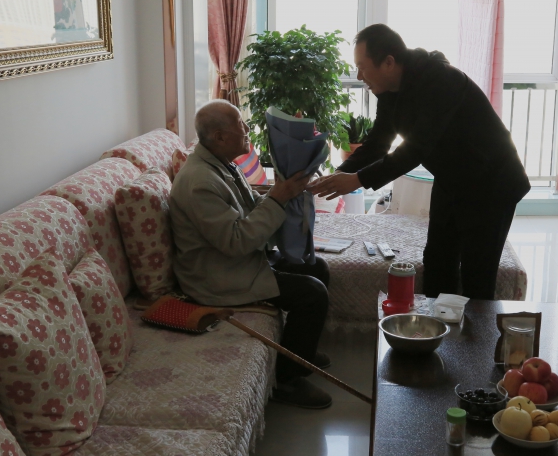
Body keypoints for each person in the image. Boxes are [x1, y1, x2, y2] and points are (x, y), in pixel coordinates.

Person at [310, 24, 530, 300]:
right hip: (452, 180)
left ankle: (475, 329)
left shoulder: (441, 81)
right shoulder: (389, 91)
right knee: (437, 264)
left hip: (492, 184)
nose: (359, 76)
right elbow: (378, 143)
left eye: (362, 67)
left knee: (477, 276)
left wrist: (357, 180)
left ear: (388, 62)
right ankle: (435, 327)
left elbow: (415, 149)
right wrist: (336, 176)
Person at [170, 100, 333, 409]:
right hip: (217, 276)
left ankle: (302, 352)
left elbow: (247, 211)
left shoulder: (220, 163)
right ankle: (287, 381)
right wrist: (278, 198)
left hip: (237, 261)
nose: (246, 129)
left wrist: (281, 191)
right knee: (312, 293)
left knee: (317, 267)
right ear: (220, 137)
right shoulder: (200, 182)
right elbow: (236, 241)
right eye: (240, 124)